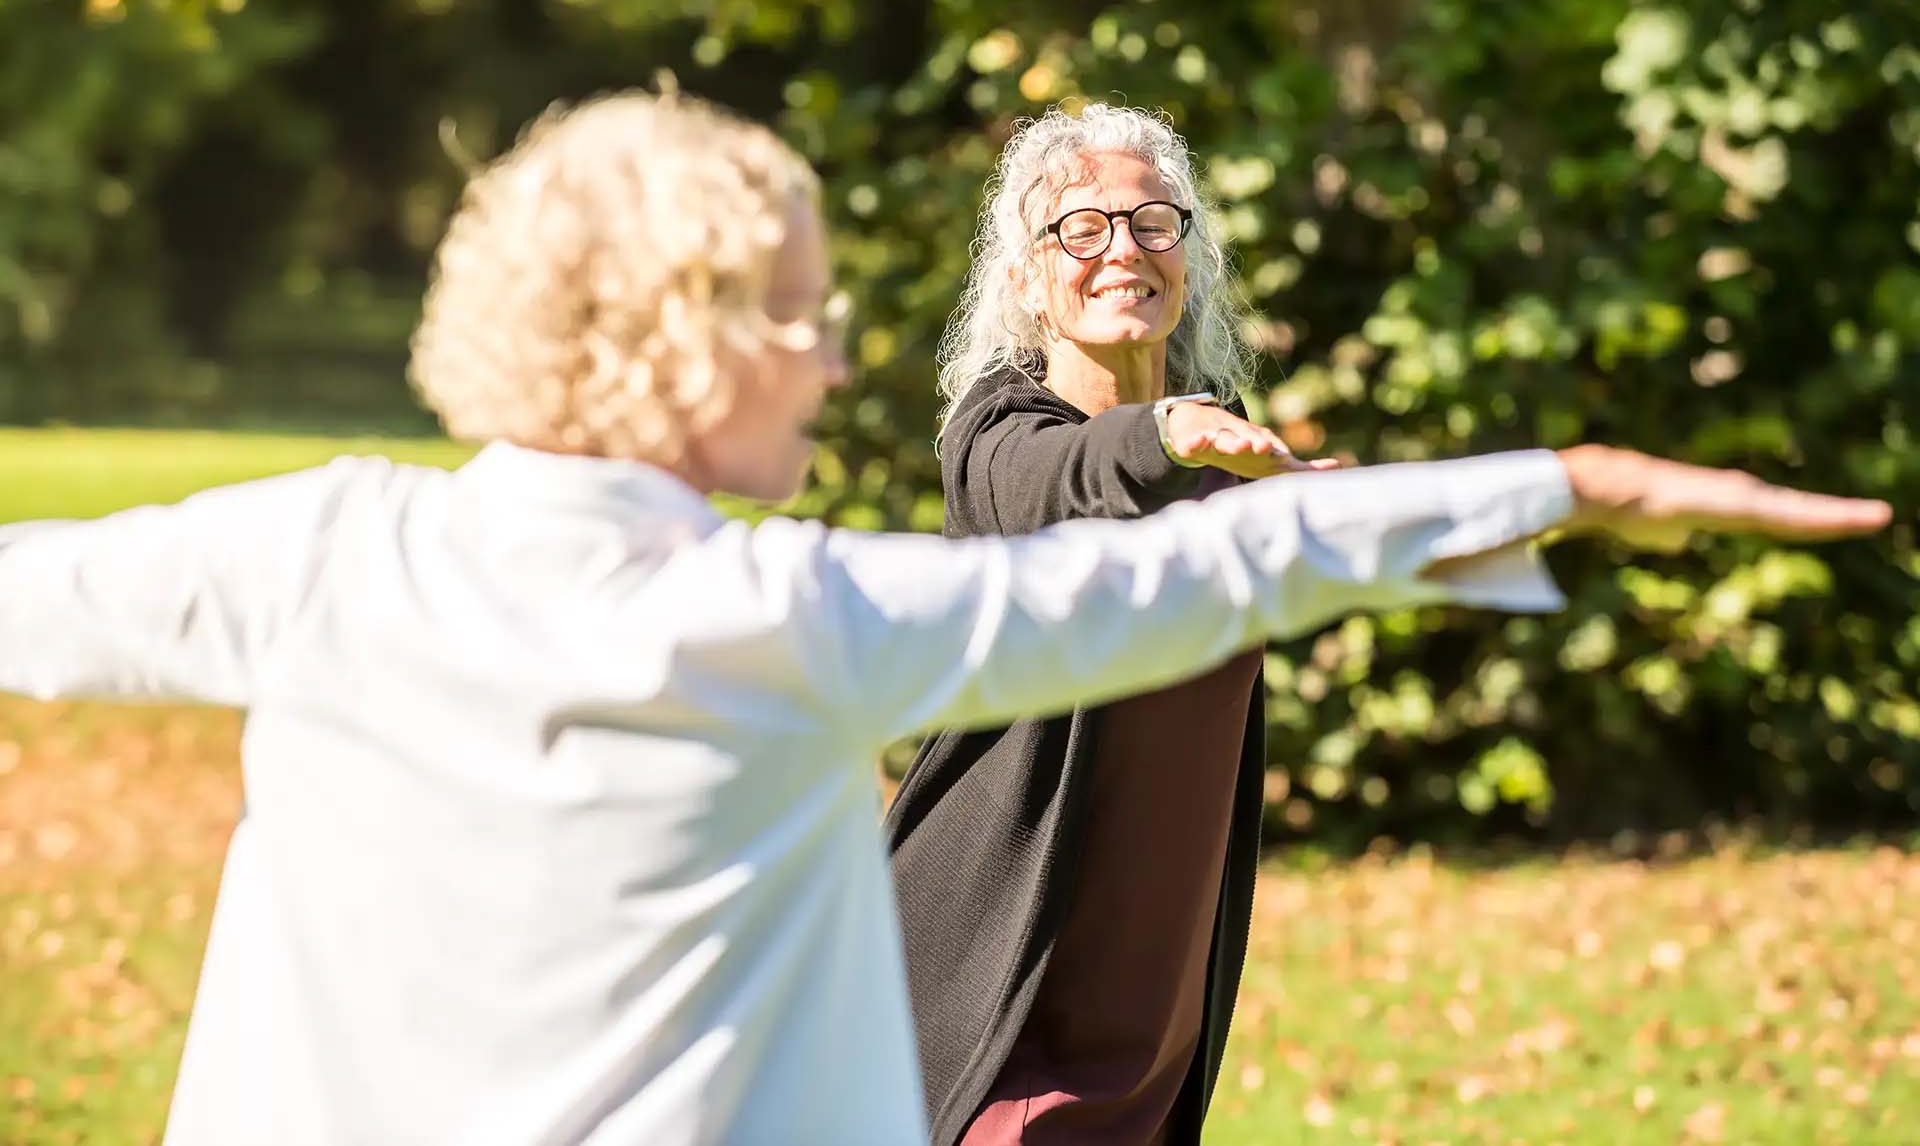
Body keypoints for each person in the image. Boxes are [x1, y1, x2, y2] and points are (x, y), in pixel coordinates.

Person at [0, 89, 1889, 1146]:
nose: (835, 356)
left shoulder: (316, 550)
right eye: (803, 315)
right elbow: (1179, 561)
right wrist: (1571, 484)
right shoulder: (781, 612)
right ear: (682, 343)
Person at [886, 102, 1328, 1146]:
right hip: (998, 1014)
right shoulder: (997, 441)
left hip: (1151, 1036)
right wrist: (1162, 430)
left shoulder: (1227, 465)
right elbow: (1066, 480)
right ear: (1028, 281)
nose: (1122, 249)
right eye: (1079, 229)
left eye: (1152, 224)